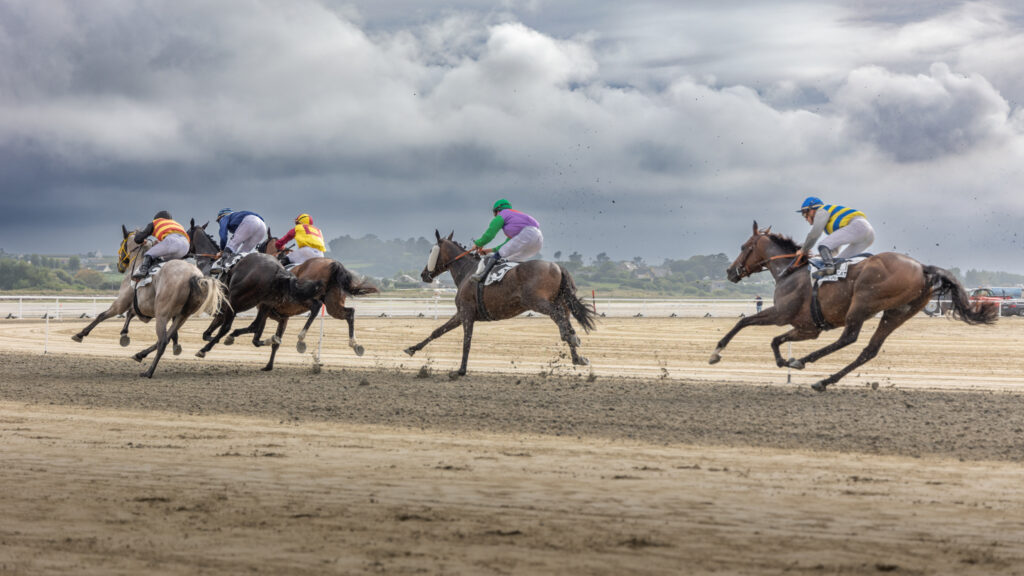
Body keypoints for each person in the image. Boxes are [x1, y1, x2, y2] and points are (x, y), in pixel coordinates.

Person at [796, 197, 875, 276]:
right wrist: (822, 256)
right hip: (869, 234)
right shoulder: (833, 222)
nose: (805, 218)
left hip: (859, 226)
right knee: (839, 264)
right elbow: (835, 249)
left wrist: (803, 250)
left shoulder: (821, 210)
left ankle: (829, 267)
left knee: (822, 245)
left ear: (812, 210)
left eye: (805, 214)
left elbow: (815, 234)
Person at [471, 198, 543, 282]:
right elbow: (507, 244)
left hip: (528, 234)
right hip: (538, 239)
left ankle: (482, 276)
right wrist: (489, 250)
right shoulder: (515, 219)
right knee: (510, 259)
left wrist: (478, 244)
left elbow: (490, 234)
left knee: (499, 256)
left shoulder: (502, 215)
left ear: (497, 211)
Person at [131, 210, 190, 280]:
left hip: (172, 242)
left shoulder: (155, 222)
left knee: (149, 254)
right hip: (186, 246)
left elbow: (137, 239)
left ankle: (142, 271)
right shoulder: (177, 224)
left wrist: (142, 240)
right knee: (162, 259)